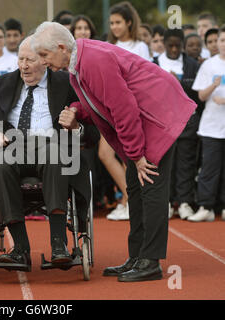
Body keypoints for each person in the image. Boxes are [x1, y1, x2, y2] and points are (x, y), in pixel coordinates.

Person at [31, 21, 196, 282]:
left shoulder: (92, 60)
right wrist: (76, 110)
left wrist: (137, 155)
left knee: (149, 185)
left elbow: (123, 108)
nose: (42, 62)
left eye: (44, 55)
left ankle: (150, 261)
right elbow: (97, 102)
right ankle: (137, 256)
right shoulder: (79, 62)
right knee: (134, 185)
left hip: (158, 114)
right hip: (147, 116)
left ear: (61, 47)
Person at [0, 36, 99, 268]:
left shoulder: (68, 84)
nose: (24, 65)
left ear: (45, 61)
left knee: (54, 154)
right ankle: (20, 248)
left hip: (52, 146)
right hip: (13, 146)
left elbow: (90, 128)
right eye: (21, 59)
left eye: (30, 60)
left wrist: (76, 127)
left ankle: (59, 243)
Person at [104, 1, 150, 221]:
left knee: (126, 155)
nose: (114, 27)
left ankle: (129, 200)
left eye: (118, 22)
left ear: (129, 22)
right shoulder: (107, 45)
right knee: (105, 154)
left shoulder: (140, 46)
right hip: (109, 108)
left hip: (131, 108)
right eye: (112, 23)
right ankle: (128, 198)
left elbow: (143, 77)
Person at [153, 28, 202, 220]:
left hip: (187, 121)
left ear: (182, 45)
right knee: (165, 165)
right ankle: (166, 202)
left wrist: (179, 83)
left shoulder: (192, 65)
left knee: (186, 163)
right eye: (170, 45)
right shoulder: (154, 64)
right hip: (162, 123)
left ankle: (184, 202)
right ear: (163, 44)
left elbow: (198, 94)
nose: (174, 49)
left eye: (177, 46)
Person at [190, 26, 225, 222]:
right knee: (209, 167)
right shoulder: (208, 65)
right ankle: (206, 206)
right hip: (211, 127)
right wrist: (213, 85)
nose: (223, 44)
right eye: (221, 40)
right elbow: (201, 96)